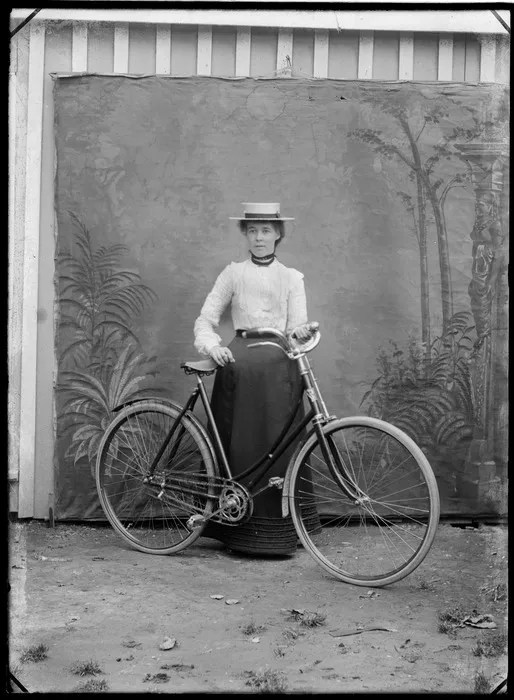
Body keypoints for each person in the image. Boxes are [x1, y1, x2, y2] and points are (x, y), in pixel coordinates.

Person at [193, 202, 316, 556]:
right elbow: (206, 319)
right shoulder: (233, 274)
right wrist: (212, 347)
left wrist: (303, 334)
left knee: (280, 442)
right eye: (252, 230)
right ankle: (235, 528)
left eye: (265, 230)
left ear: (278, 234)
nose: (259, 237)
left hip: (280, 368)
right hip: (240, 367)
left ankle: (281, 529)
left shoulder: (292, 278)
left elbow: (295, 332)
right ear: (245, 235)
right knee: (241, 445)